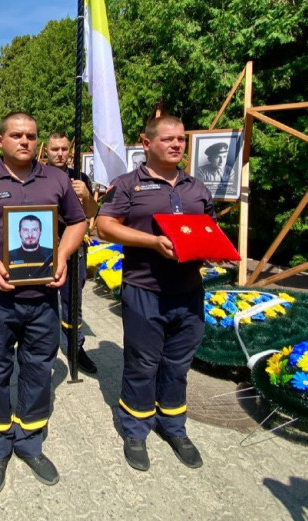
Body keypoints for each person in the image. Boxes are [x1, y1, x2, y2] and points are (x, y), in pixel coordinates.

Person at [0, 112, 86, 494]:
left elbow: (78, 222)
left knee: (39, 368)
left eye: (30, 136)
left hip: (43, 298)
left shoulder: (56, 179)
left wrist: (62, 256)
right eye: (16, 135)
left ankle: (29, 440)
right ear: (0, 140)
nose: (24, 141)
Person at [95, 115, 215, 472]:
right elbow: (104, 226)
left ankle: (173, 426)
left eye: (181, 139)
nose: (177, 145)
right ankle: (135, 429)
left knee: (178, 365)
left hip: (188, 291)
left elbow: (210, 227)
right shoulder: (127, 185)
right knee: (142, 364)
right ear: (147, 144)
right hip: (145, 290)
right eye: (168, 139)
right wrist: (151, 241)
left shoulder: (196, 187)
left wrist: (212, 248)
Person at [45, 132, 99, 374]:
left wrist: (85, 195)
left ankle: (74, 348)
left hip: (74, 251)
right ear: (46, 151)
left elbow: (91, 212)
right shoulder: (37, 176)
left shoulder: (80, 177)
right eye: (55, 149)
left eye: (64, 149)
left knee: (72, 302)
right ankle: (44, 350)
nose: (60, 154)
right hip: (44, 250)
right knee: (44, 303)